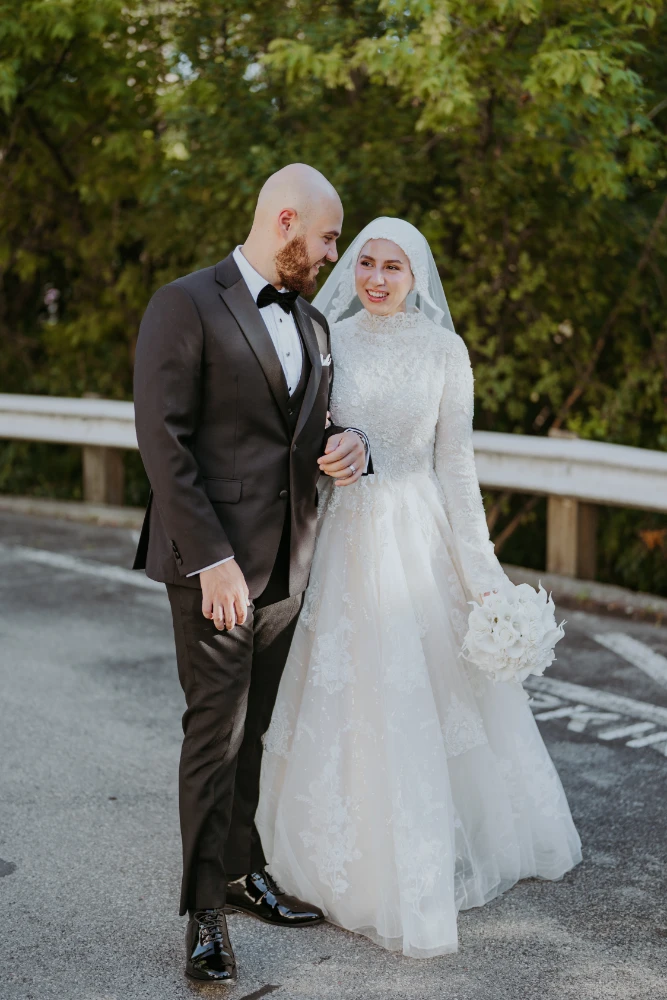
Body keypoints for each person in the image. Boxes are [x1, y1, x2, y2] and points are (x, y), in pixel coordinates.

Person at [256, 217, 582, 959]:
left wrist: (484, 577)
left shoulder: (444, 351)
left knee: (426, 696)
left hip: (417, 536)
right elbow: (299, 438)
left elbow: (455, 467)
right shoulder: (326, 338)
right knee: (344, 693)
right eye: (365, 262)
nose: (375, 278)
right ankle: (336, 854)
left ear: (416, 276)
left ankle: (424, 853)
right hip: (340, 536)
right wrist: (331, 453)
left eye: (392, 267)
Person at [132, 164, 370, 984]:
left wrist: (351, 444)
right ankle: (204, 911)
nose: (334, 255)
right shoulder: (184, 304)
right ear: (286, 221)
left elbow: (306, 428)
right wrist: (211, 560)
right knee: (215, 735)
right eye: (329, 238)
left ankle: (242, 871)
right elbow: (163, 442)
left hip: (287, 563)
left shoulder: (315, 323)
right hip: (215, 568)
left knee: (256, 729)